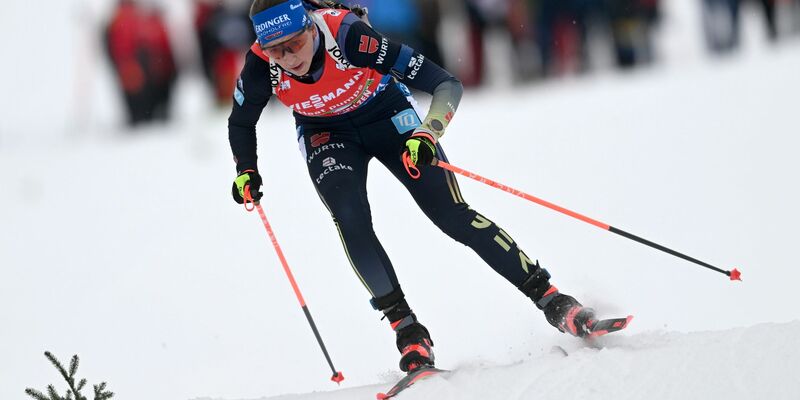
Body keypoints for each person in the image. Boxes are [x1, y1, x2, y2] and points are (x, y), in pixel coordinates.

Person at [228, 0, 601, 373]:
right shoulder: (261, 65)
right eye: (276, 50)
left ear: (310, 28)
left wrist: (428, 131)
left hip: (387, 115)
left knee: (451, 215)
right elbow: (240, 123)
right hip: (326, 133)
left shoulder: (349, 35)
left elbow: (445, 83)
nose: (288, 58)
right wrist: (246, 170)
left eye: (293, 44)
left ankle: (553, 300)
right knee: (350, 219)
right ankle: (408, 333)